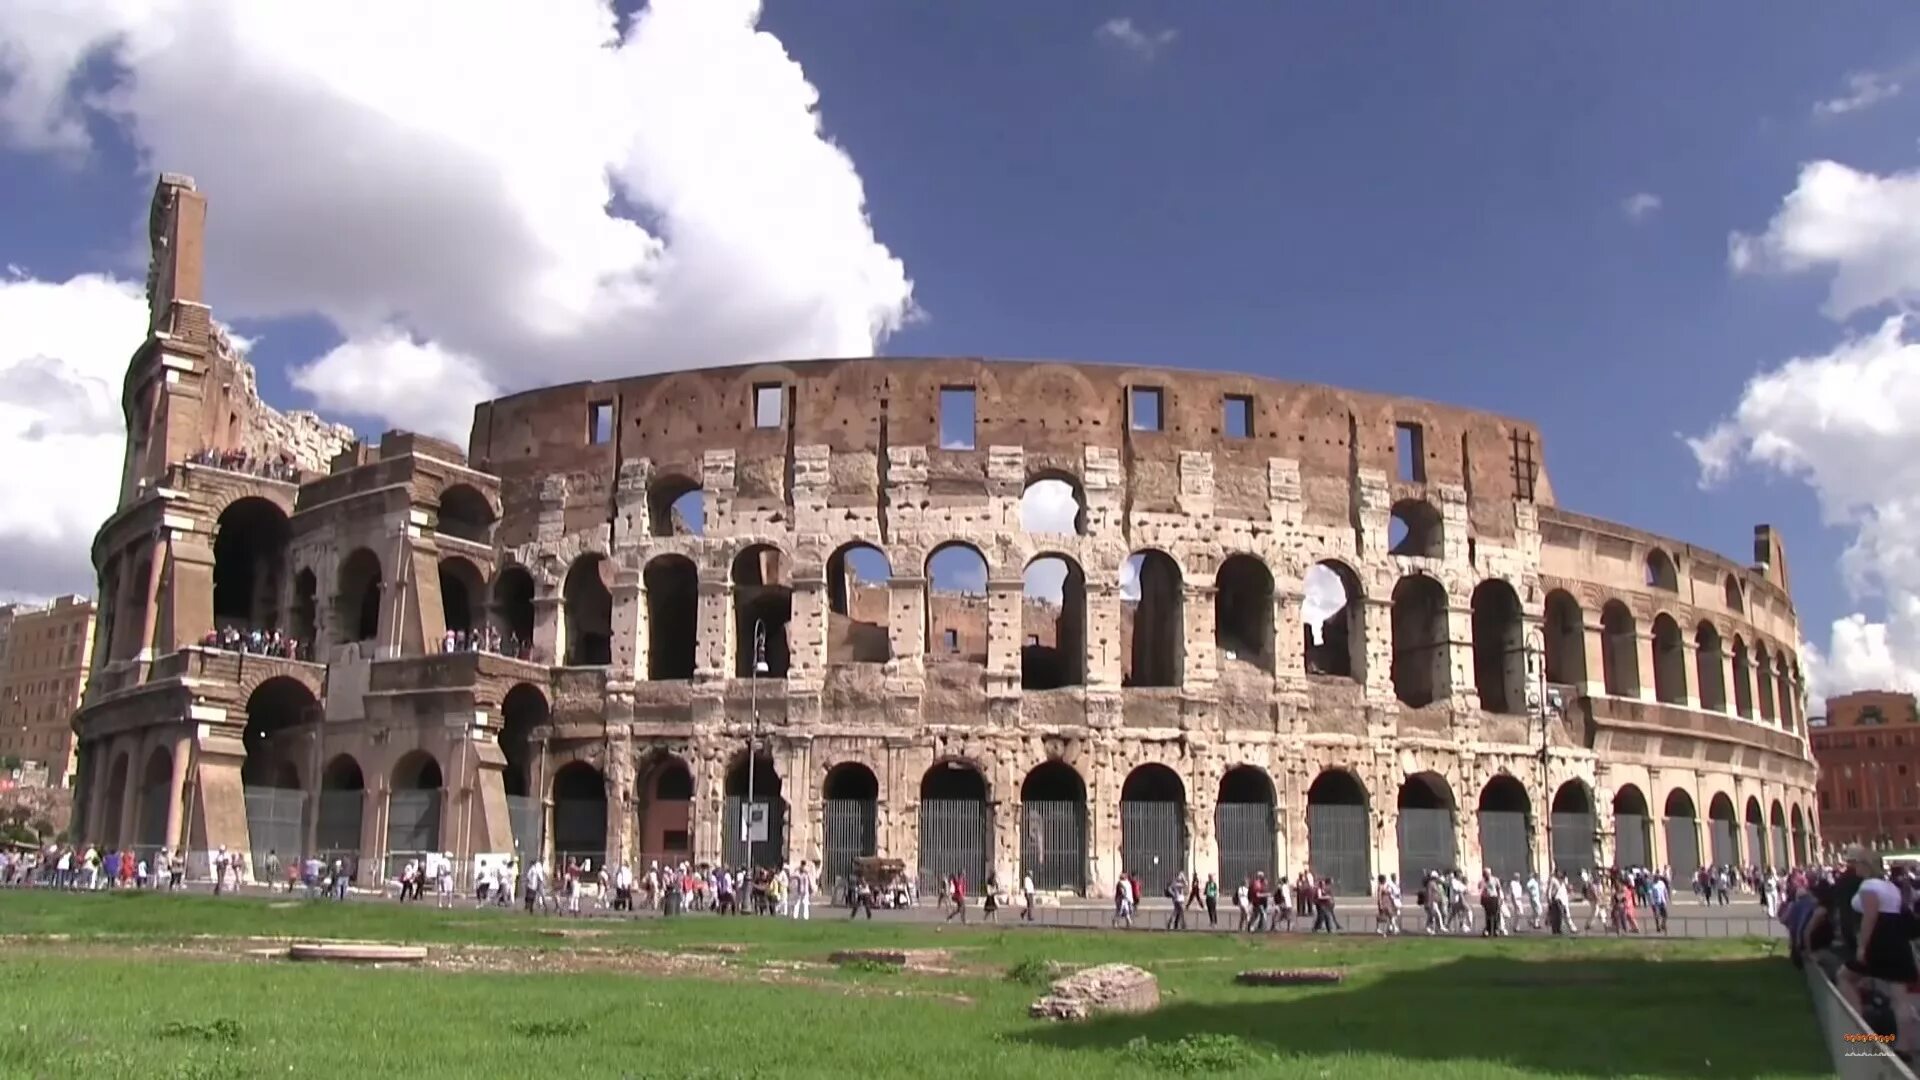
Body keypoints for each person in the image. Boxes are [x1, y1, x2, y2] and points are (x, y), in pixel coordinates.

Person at [1834, 846, 1917, 1061]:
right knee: (1901, 998)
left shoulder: (1869, 886)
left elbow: (1870, 918)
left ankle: (1860, 1030)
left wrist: (1862, 946)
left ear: (1864, 865)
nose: (1854, 867)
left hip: (1879, 942)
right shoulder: (1891, 888)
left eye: (1856, 863)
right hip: (1898, 943)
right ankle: (1904, 1046)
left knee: (1844, 976)